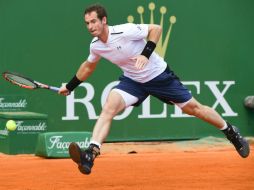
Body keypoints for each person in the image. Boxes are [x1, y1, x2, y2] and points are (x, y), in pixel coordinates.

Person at [59, 4, 250, 175]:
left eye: (94, 21)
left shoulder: (124, 31)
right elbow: (88, 66)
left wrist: (145, 54)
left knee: (194, 109)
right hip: (133, 81)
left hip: (159, 76)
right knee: (109, 106)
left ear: (104, 20)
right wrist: (70, 86)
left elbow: (156, 29)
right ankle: (91, 153)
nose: (91, 26)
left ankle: (230, 131)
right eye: (87, 23)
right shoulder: (96, 46)